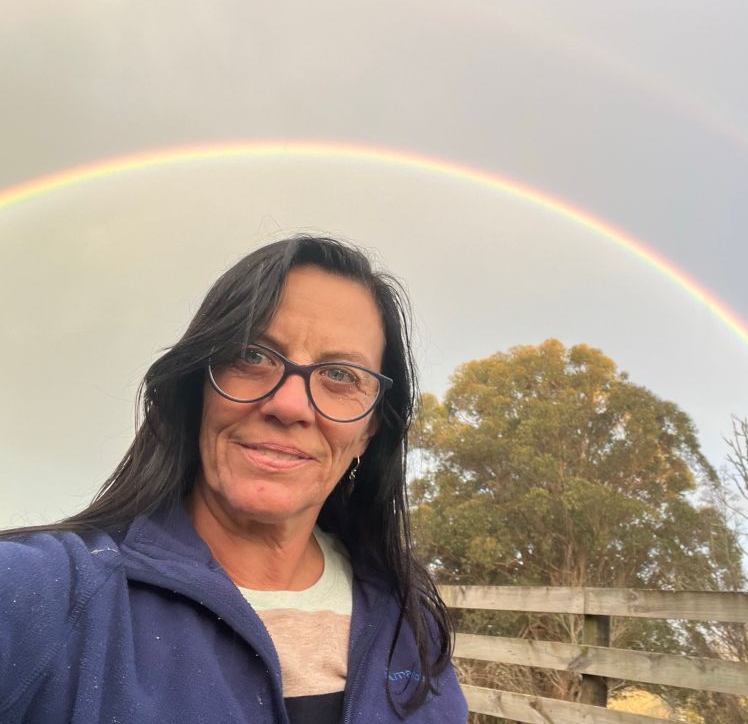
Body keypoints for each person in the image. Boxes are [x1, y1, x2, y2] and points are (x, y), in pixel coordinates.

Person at [0, 236, 467, 723]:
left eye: (341, 375)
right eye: (251, 356)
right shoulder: (39, 594)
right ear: (197, 387)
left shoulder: (410, 621)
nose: (289, 405)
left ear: (371, 429)